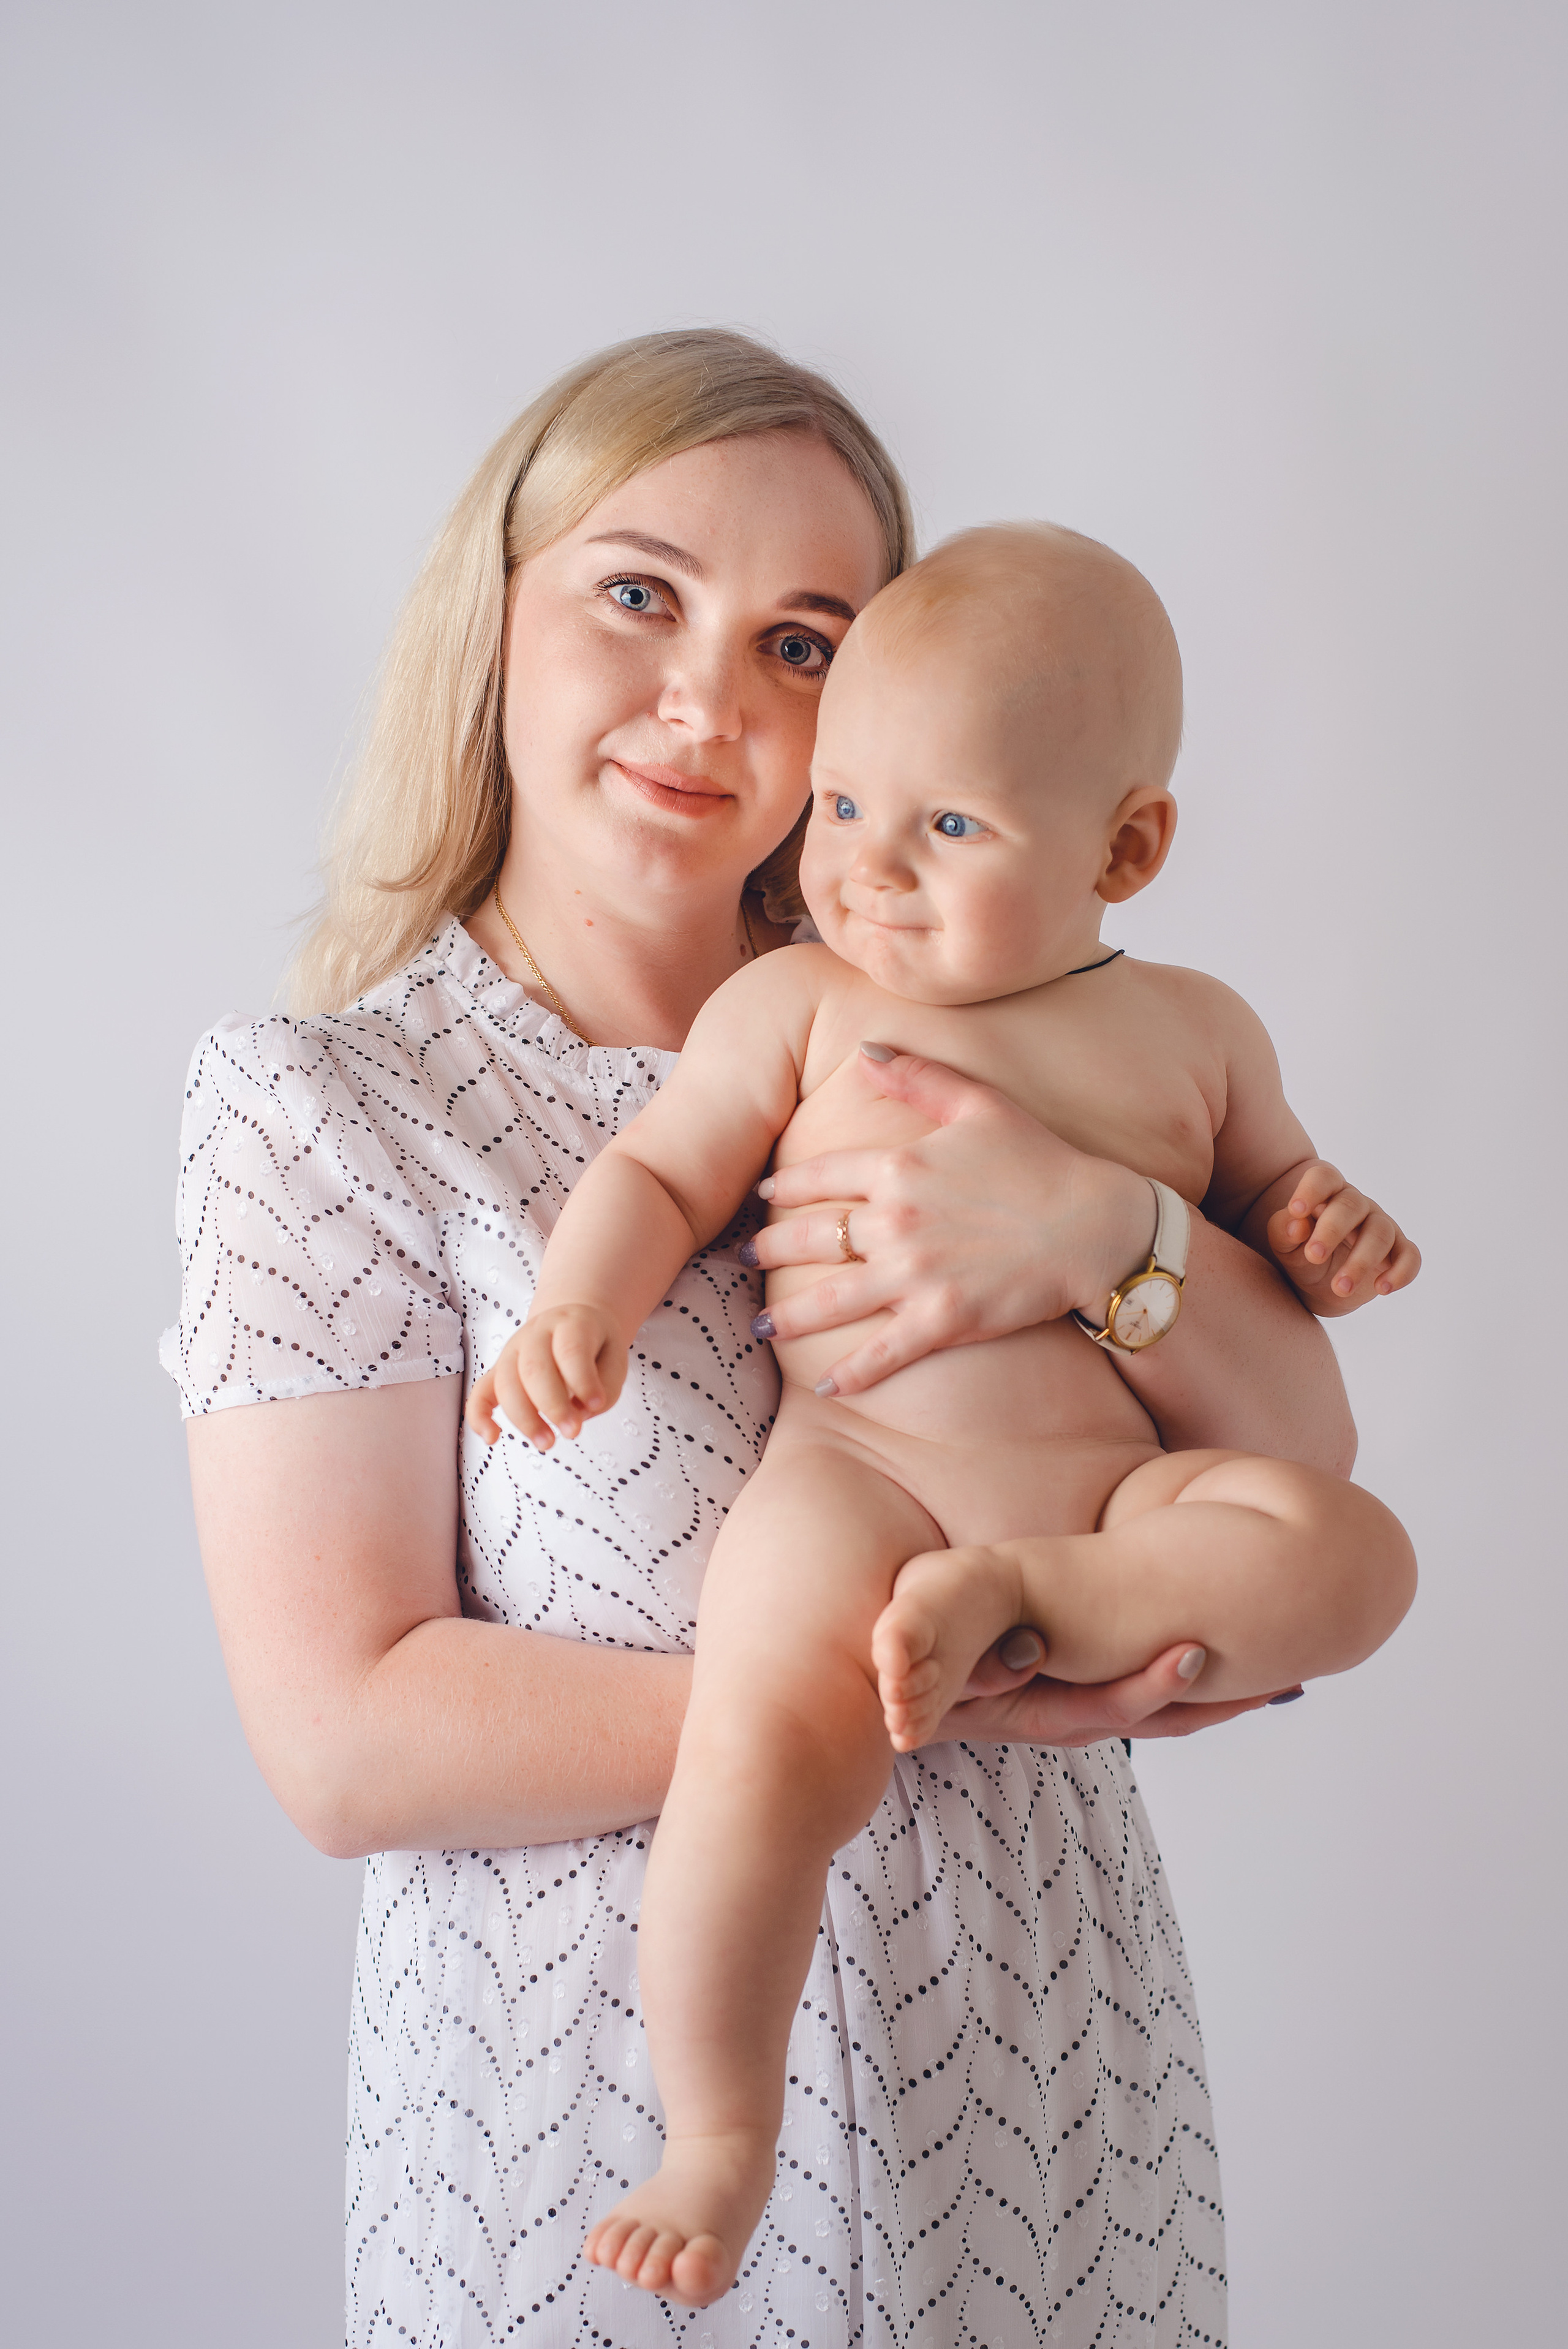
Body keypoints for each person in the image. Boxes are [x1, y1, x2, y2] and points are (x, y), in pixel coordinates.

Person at [165, 330, 1375, 2348]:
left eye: (805, 641)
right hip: (595, 2146)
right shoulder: (330, 1105)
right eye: (640, 592)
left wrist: (1107, 1226)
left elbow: (1303, 1467)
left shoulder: (966, 1023)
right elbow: (347, 1739)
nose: (712, 698)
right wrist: (901, 1691)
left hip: (1039, 2079)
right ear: (498, 612)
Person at [470, 521, 1419, 2307]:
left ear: (1126, 846)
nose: (869, 874)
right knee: (758, 1739)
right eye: (840, 809)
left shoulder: (1199, 1035)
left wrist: (1323, 1223)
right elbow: (659, 1172)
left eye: (950, 829)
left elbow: (1283, 1215)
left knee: (1359, 1556)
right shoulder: (800, 1004)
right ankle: (720, 2128)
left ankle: (1043, 1611)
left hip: (1108, 1510)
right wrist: (577, 1303)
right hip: (864, 1467)